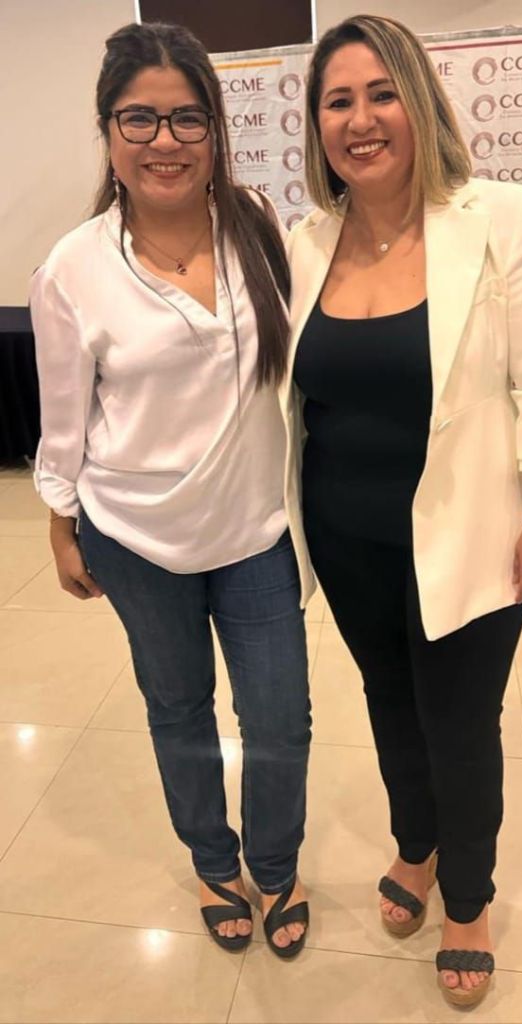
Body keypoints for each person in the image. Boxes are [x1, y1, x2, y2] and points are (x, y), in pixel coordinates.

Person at [280, 13, 522, 1007]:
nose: (359, 120)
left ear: (417, 101)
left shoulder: (497, 215)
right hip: (345, 531)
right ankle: (416, 844)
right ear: (316, 124)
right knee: (388, 700)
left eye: (379, 94)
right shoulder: (306, 242)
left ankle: (468, 898)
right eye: (336, 101)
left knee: (459, 719)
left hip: (472, 531)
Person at [31, 20, 313, 960]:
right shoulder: (73, 268)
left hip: (254, 528)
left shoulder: (258, 221)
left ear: (215, 128)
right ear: (108, 131)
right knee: (179, 707)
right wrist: (62, 524)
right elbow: (65, 415)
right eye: (139, 119)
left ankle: (274, 865)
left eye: (188, 118)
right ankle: (213, 862)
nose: (166, 140)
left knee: (278, 717)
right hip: (135, 536)